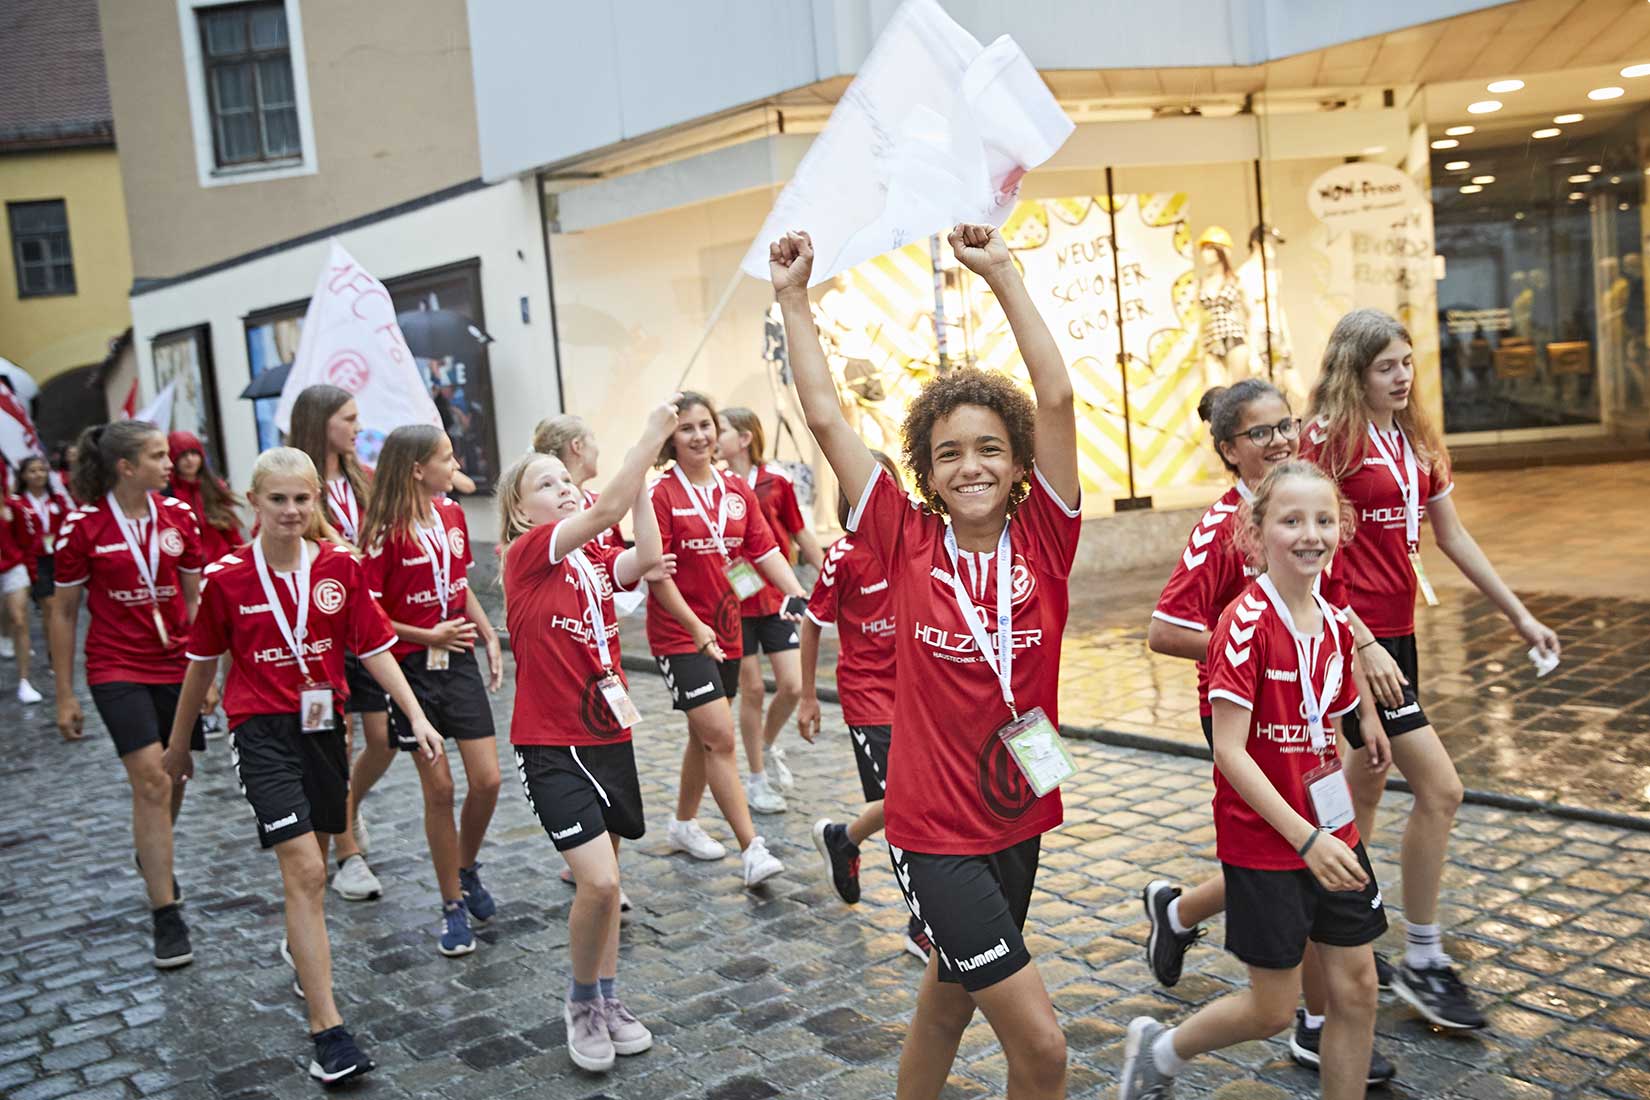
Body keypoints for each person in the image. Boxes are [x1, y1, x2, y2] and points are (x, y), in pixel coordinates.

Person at [774, 225, 1078, 1099]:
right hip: (932, 830)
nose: (971, 464)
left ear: (1018, 462)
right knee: (1044, 1050)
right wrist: (795, 299)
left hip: (1019, 815)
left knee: (948, 1001)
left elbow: (1054, 395)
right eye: (950, 453)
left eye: (989, 448)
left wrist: (1001, 273)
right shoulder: (902, 540)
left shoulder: (1047, 539)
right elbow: (828, 416)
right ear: (928, 473)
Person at [1301, 308, 1560, 1031]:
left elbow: (1450, 532)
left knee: (1354, 800)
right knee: (1441, 790)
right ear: (1354, 370)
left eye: (1408, 363)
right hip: (1348, 647)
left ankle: (1203, 906)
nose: (1403, 377)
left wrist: (1517, 613)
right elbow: (1303, 553)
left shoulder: (1414, 437)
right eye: (1386, 367)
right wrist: (1357, 644)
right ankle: (1421, 957)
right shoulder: (1326, 442)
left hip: (1397, 639)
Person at [162, 446, 443, 1086]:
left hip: (324, 727)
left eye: (301, 498)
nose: (290, 511)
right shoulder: (227, 576)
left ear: (316, 500)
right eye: (277, 499)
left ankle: (301, 942)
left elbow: (374, 648)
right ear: (254, 503)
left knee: (312, 870)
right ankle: (329, 1033)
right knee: (307, 867)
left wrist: (416, 717)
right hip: (259, 729)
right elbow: (201, 665)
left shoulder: (341, 565)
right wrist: (179, 746)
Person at [1143, 381, 1396, 1084]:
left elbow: (1337, 627)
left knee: (1357, 983)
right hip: (1246, 719)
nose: (1282, 437)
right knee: (1272, 977)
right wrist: (1253, 658)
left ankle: (1322, 1016)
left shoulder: (1312, 537)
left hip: (1319, 790)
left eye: (1288, 424)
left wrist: (1362, 714)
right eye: (1262, 432)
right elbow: (1166, 630)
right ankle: (1294, 1013)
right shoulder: (1235, 566)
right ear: (1229, 450)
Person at [499, 397, 678, 1073]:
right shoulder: (526, 556)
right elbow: (603, 511)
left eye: (565, 481)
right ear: (523, 512)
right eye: (545, 484)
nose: (564, 489)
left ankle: (608, 999)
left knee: (609, 881)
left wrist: (647, 489)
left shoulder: (589, 564)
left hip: (610, 736)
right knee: (599, 885)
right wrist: (648, 436)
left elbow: (646, 557)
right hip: (551, 746)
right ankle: (579, 1002)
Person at [49, 420, 205, 968]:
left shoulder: (180, 517)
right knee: (152, 780)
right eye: (159, 456)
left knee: (174, 776)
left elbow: (197, 597)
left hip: (177, 664)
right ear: (126, 467)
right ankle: (166, 913)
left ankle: (154, 850)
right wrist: (64, 694)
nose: (172, 463)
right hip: (117, 665)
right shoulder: (82, 527)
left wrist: (206, 676)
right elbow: (65, 610)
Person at [359, 425, 504, 956]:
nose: (455, 462)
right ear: (418, 468)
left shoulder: (451, 515)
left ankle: (466, 867)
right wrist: (428, 634)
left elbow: (459, 587)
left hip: (458, 660)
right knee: (439, 789)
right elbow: (370, 616)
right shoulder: (380, 532)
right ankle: (450, 904)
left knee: (487, 780)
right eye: (446, 457)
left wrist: (488, 635)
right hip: (410, 671)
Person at [645, 390, 797, 887]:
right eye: (686, 428)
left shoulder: (735, 489)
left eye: (706, 425)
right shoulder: (660, 495)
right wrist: (694, 627)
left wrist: (796, 592)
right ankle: (752, 849)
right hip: (679, 634)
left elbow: (763, 550)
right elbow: (657, 574)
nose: (700, 435)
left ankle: (683, 824)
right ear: (670, 439)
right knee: (720, 736)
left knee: (703, 736)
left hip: (728, 630)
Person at [799, 450, 930, 958]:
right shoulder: (843, 557)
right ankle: (921, 923)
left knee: (913, 803)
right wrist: (809, 696)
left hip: (920, 697)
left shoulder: (916, 542)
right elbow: (813, 623)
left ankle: (844, 839)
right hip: (869, 699)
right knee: (904, 810)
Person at [287, 384, 388, 903]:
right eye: (347, 418)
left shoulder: (362, 478)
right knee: (332, 739)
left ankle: (346, 808)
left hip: (364, 624)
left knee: (383, 737)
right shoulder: (296, 486)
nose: (356, 427)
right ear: (321, 421)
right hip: (314, 634)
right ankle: (347, 855)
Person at [716, 406, 825, 813]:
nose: (713, 437)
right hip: (735, 602)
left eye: (720, 429)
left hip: (776, 601)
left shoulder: (776, 482)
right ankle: (757, 778)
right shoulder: (715, 485)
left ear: (744, 438)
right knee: (754, 689)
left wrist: (826, 571)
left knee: (793, 686)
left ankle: (764, 743)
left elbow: (800, 533)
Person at [532, 414, 625, 552]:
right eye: (592, 438)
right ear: (577, 446)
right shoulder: (548, 512)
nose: (597, 449)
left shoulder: (597, 501)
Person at [165, 432, 245, 563]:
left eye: (194, 453)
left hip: (222, 563)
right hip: (189, 568)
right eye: (183, 455)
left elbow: (231, 531)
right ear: (173, 459)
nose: (190, 459)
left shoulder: (215, 487)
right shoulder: (167, 495)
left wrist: (240, 558)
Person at [1, 477, 42, 702]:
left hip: (13, 567)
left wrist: (31, 572)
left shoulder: (14, 507)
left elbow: (27, 540)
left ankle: (24, 681)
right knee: (7, 615)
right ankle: (4, 634)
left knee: (19, 619)